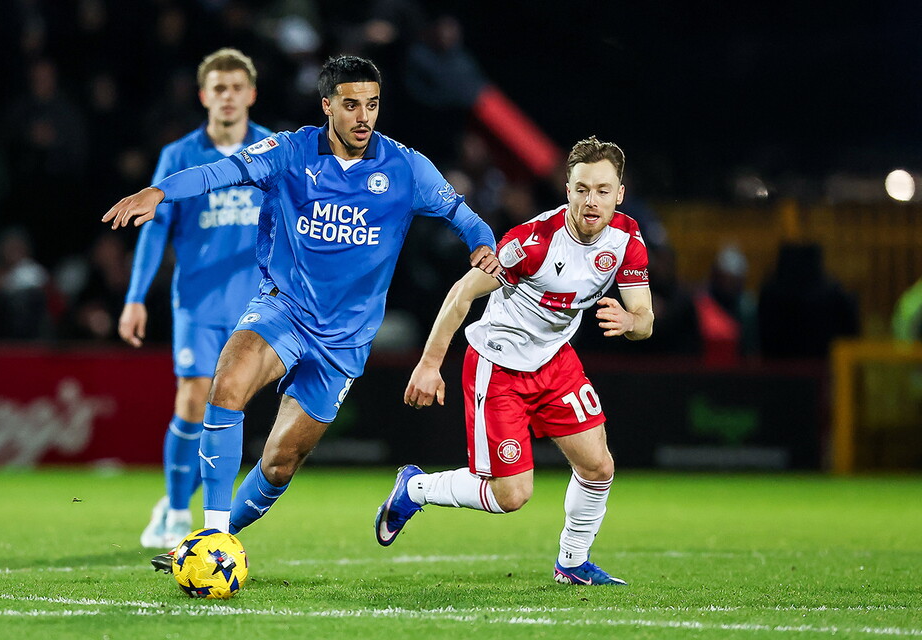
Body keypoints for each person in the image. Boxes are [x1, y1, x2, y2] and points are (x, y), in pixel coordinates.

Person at [101, 55, 501, 571]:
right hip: (282, 310)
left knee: (281, 462)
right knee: (226, 385)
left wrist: (481, 246)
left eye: (373, 105)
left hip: (345, 341)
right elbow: (219, 172)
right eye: (351, 105)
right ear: (327, 105)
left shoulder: (406, 168)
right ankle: (211, 538)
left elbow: (466, 219)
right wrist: (160, 191)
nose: (364, 117)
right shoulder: (289, 151)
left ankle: (210, 540)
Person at [374, 137, 654, 586]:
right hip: (499, 367)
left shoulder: (626, 239)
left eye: (603, 190)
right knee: (512, 495)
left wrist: (631, 320)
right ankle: (415, 488)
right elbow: (462, 293)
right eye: (582, 189)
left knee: (599, 467)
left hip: (556, 362)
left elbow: (646, 321)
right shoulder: (532, 243)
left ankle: (573, 562)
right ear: (567, 190)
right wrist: (430, 364)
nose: (591, 201)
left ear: (619, 194)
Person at [118, 49, 273, 549]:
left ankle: (206, 513)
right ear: (204, 96)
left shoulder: (272, 150)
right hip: (198, 304)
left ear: (250, 94)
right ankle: (175, 509)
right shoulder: (179, 156)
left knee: (225, 412)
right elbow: (152, 231)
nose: (227, 97)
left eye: (236, 88)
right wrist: (136, 296)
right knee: (191, 400)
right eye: (218, 89)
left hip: (257, 307)